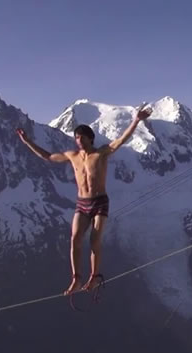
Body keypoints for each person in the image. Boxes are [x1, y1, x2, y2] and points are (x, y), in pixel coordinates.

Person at [16, 104, 153, 295]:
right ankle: (76, 279)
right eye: (76, 137)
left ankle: (95, 276)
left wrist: (136, 121)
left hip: (100, 201)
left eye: (81, 137)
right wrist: (27, 141)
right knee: (75, 239)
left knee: (94, 239)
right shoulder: (72, 156)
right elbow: (47, 156)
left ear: (90, 138)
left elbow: (120, 140)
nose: (78, 140)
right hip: (82, 203)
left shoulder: (101, 153)